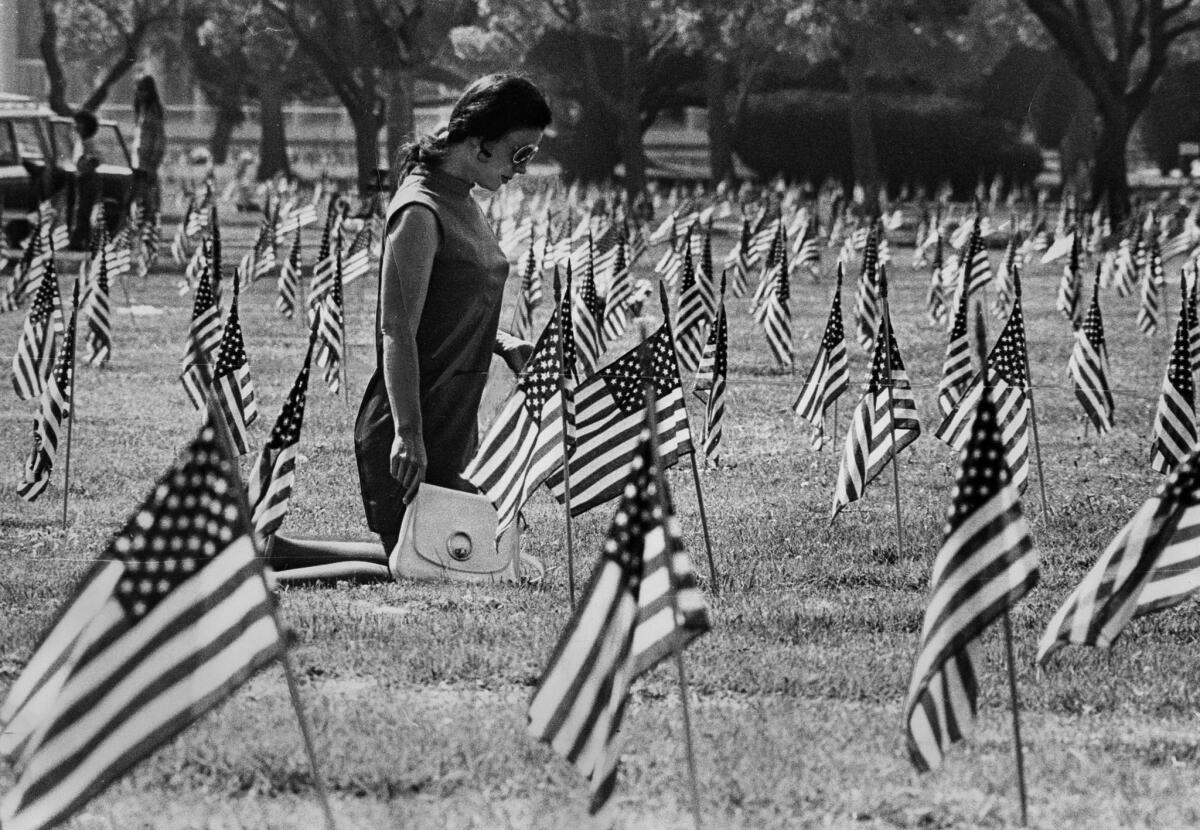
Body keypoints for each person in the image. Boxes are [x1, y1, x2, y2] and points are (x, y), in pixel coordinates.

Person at [267, 73, 553, 580]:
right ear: (481, 140)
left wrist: (506, 343)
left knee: (442, 554)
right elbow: (396, 331)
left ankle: (271, 549)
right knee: (424, 565)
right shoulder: (419, 211)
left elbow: (454, 305)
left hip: (453, 420)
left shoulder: (461, 196)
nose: (520, 170)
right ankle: (253, 577)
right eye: (520, 154)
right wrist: (408, 434)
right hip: (410, 425)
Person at [131, 75, 166, 216]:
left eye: (142, 90)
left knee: (148, 198)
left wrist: (154, 162)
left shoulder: (153, 110)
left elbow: (159, 138)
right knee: (138, 198)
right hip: (138, 161)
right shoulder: (141, 110)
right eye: (138, 90)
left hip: (148, 162)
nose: (139, 93)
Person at [67, 110, 102, 251]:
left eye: (79, 123)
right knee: (81, 211)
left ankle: (78, 241)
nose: (76, 126)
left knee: (83, 212)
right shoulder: (80, 142)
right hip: (81, 179)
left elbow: (96, 159)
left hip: (88, 180)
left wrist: (86, 168)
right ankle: (85, 241)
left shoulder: (89, 143)